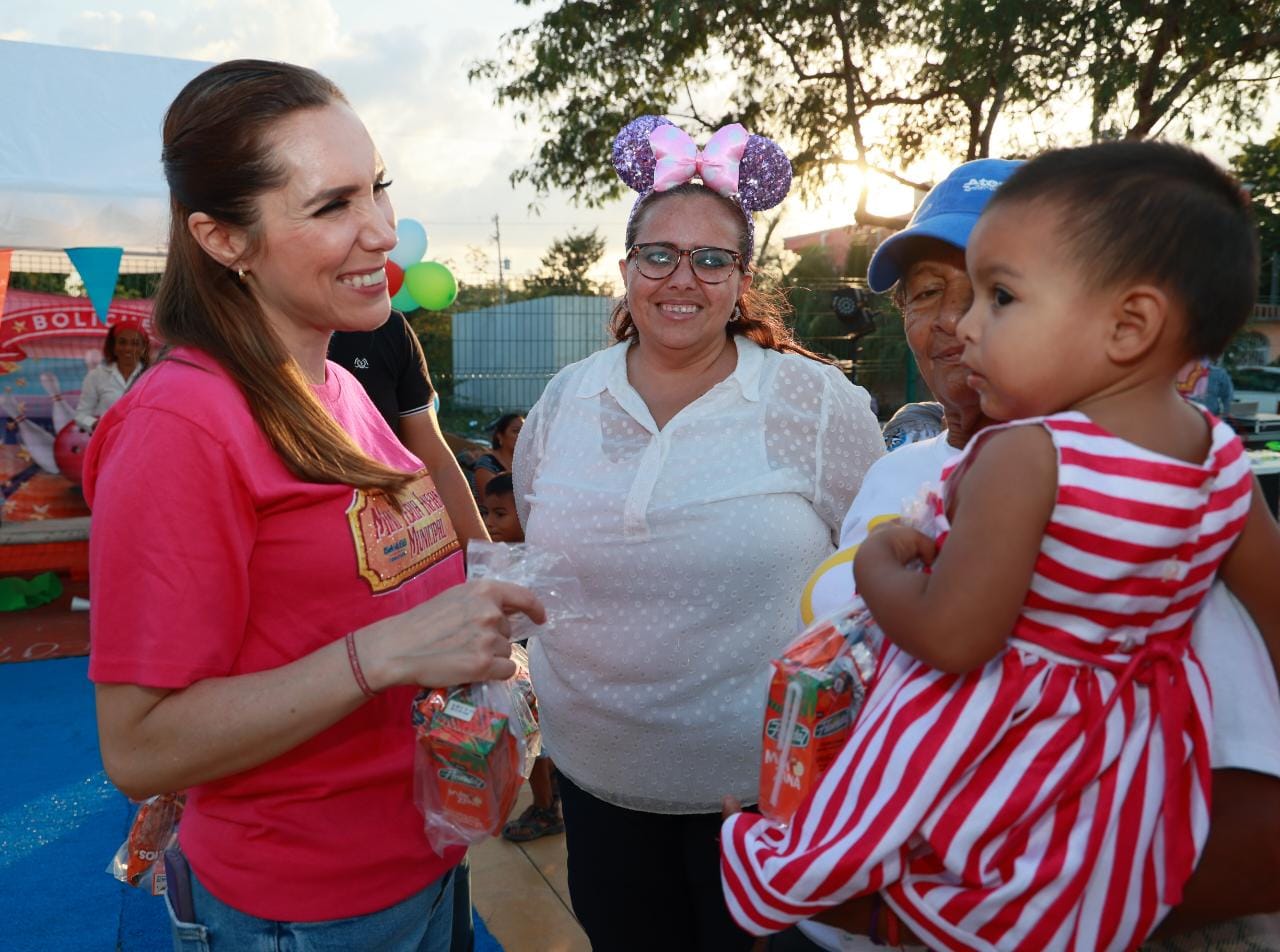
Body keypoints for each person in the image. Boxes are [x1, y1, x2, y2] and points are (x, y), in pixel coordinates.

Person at [724, 143, 1280, 951]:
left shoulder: (1128, 502)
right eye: (928, 293)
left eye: (999, 293)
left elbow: (1256, 842)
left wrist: (899, 907)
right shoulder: (906, 470)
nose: (956, 323)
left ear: (1118, 317)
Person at [84, 60, 543, 952]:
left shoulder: (333, 381)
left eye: (376, 188)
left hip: (424, 863)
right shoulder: (184, 425)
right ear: (223, 239)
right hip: (305, 914)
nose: (382, 234)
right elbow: (137, 747)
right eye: (332, 206)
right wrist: (385, 652)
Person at [512, 115, 884, 950]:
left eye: (712, 259)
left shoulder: (814, 404)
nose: (683, 278)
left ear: (742, 279)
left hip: (770, 799)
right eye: (660, 255)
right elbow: (544, 551)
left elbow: (872, 581)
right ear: (626, 270)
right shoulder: (566, 398)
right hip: (594, 783)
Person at [329, 314, 488, 539]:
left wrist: (486, 563)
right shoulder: (265, 342)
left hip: (384, 541)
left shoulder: (387, 327)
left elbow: (436, 463)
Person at [74, 321, 150, 431]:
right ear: (113, 346)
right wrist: (97, 425)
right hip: (107, 442)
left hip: (140, 442)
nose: (128, 348)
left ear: (143, 348)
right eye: (122, 342)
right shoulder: (96, 376)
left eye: (135, 343)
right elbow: (80, 416)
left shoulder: (152, 376)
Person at [472, 412, 523, 496]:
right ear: (500, 436)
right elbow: (492, 500)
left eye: (524, 431)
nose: (521, 435)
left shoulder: (527, 463)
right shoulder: (487, 464)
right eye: (516, 431)